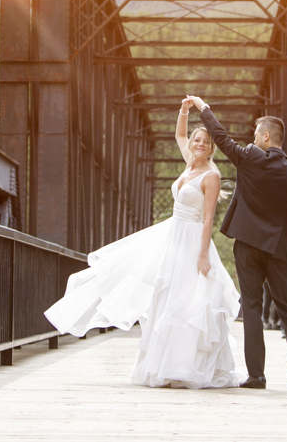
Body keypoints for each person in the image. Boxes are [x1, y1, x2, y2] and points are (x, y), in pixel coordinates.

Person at [44, 98, 246, 389]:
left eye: (206, 142)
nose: (200, 144)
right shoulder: (189, 164)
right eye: (197, 140)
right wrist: (184, 110)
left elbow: (208, 220)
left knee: (190, 303)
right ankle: (164, 367)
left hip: (192, 241)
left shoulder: (212, 176)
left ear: (212, 147)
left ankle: (189, 368)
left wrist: (204, 255)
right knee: (165, 300)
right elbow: (178, 135)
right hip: (171, 238)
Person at [188, 95, 287, 390]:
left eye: (255, 134)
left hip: (248, 245)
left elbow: (221, 138)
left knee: (251, 306)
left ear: (265, 136)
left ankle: (257, 376)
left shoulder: (249, 157)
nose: (252, 138)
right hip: (278, 249)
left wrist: (202, 107)